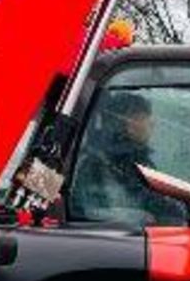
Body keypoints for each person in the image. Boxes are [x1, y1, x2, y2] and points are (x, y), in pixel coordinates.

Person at [70, 91, 182, 225]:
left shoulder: (124, 157)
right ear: (124, 123)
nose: (152, 123)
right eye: (141, 117)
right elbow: (148, 203)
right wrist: (177, 211)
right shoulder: (113, 163)